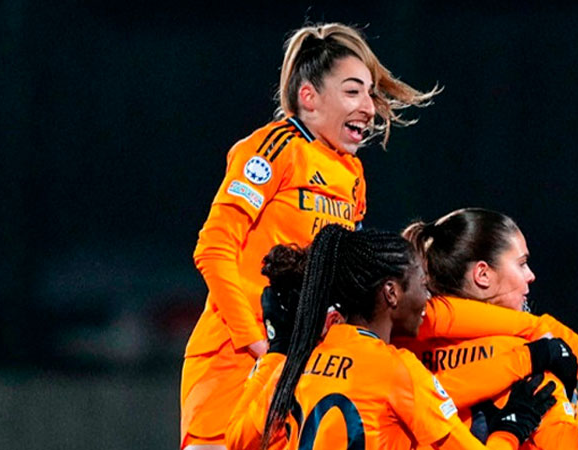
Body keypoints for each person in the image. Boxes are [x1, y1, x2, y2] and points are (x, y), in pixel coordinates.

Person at [181, 23, 439, 449]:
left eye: (371, 94)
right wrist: (262, 346)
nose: (369, 108)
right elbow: (213, 248)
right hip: (235, 359)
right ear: (309, 97)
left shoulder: (352, 175)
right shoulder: (274, 148)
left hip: (304, 367)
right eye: (353, 91)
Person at [226, 238, 575, 450]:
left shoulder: (301, 359)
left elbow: (238, 441)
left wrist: (277, 352)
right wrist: (511, 428)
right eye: (422, 285)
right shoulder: (398, 369)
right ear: (391, 293)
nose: (428, 298)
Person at [399, 208, 578, 449]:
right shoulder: (533, 356)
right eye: (521, 264)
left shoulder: (399, 350)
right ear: (482, 274)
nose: (531, 275)